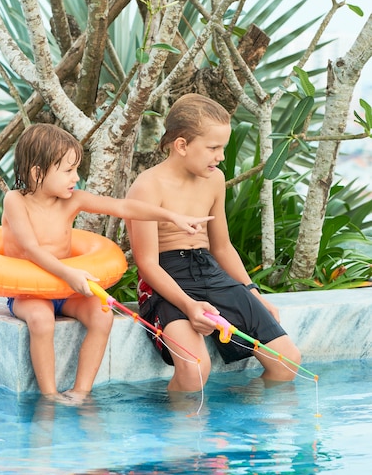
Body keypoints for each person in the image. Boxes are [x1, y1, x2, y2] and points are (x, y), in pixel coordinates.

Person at [2, 123, 212, 402]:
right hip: (28, 290)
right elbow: (30, 248)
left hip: (64, 290)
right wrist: (69, 272)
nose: (75, 178)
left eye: (76, 169)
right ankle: (49, 397)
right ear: (38, 173)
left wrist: (173, 217)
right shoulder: (15, 201)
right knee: (41, 320)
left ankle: (80, 392)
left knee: (102, 315)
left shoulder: (71, 200)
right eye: (67, 171)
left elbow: (123, 207)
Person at [126, 93, 301, 392]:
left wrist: (252, 292)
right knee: (195, 368)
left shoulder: (214, 179)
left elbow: (221, 246)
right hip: (165, 280)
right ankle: (177, 432)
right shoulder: (147, 186)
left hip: (208, 270)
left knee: (287, 362)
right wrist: (189, 306)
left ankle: (239, 422)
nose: (220, 156)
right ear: (182, 145)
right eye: (213, 148)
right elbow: (148, 264)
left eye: (223, 147)